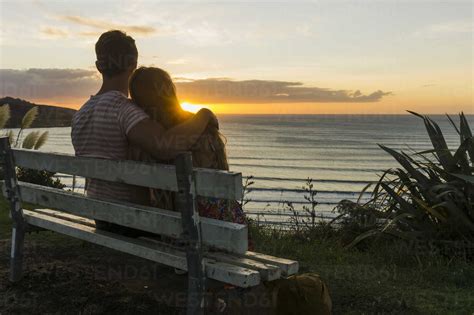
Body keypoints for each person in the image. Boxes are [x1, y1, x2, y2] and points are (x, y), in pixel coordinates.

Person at [71, 30, 217, 233]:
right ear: (133, 64)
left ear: (98, 67)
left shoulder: (80, 114)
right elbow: (165, 146)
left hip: (100, 215)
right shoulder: (122, 109)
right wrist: (204, 114)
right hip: (131, 220)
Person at [128, 66, 248, 227]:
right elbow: (221, 174)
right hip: (214, 224)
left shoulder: (143, 140)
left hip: (169, 227)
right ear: (170, 90)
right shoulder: (202, 128)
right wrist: (205, 113)